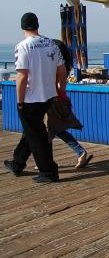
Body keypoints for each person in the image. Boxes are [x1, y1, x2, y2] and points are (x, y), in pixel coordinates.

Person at [3, 13, 67, 183]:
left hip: (31, 99)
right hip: (48, 96)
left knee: (37, 134)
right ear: (37, 25)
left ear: (23, 26)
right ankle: (17, 162)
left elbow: (22, 76)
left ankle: (48, 172)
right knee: (32, 130)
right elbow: (62, 71)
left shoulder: (23, 46)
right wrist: (61, 90)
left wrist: (19, 101)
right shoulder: (51, 43)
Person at [50, 39, 93, 168]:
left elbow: (57, 85)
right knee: (57, 130)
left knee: (48, 131)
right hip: (62, 100)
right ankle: (80, 152)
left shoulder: (55, 67)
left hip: (54, 101)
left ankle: (44, 160)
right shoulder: (65, 66)